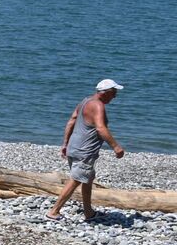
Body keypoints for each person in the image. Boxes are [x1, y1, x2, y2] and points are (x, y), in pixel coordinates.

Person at [45, 79, 127, 221]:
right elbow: (101, 128)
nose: (115, 97)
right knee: (76, 179)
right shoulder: (98, 106)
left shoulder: (85, 101)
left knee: (87, 178)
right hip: (85, 151)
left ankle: (88, 212)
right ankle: (53, 211)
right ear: (105, 93)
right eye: (114, 93)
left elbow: (72, 120)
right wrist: (116, 146)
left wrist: (65, 144)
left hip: (74, 147)